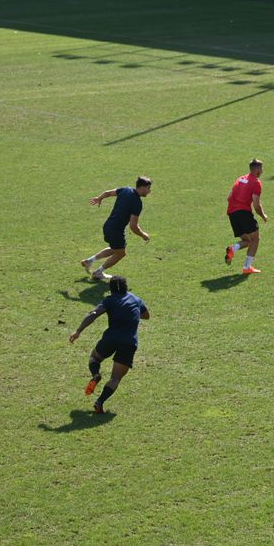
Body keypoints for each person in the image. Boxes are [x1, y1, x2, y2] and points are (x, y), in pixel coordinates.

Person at [68, 275, 150, 413]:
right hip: (129, 343)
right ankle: (99, 402)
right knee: (115, 378)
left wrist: (78, 331)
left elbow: (93, 314)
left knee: (94, 358)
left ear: (110, 290)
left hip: (110, 339)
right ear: (126, 287)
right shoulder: (136, 300)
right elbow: (146, 316)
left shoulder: (109, 300)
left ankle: (95, 375)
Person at [81, 177, 152, 281]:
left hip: (108, 225)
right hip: (116, 230)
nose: (149, 191)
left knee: (116, 249)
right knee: (121, 253)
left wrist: (99, 198)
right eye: (148, 188)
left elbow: (108, 193)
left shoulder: (126, 190)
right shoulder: (137, 203)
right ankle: (98, 272)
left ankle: (89, 261)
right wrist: (143, 235)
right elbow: (133, 226)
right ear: (142, 187)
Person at [224, 159, 268, 275]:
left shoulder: (240, 179)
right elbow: (256, 204)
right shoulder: (256, 183)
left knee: (247, 240)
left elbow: (229, 198)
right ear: (257, 170)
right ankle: (247, 267)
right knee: (255, 239)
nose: (262, 171)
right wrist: (263, 215)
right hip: (243, 213)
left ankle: (233, 249)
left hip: (232, 213)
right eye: (261, 169)